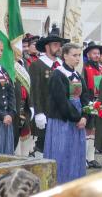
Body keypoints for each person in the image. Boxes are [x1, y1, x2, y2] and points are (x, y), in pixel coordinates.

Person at [44, 43, 89, 183]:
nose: (77, 58)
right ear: (65, 56)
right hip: (62, 121)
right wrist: (77, 118)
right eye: (74, 55)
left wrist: (86, 116)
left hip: (78, 121)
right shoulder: (58, 74)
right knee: (62, 153)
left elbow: (85, 98)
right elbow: (61, 101)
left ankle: (74, 183)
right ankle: (60, 184)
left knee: (76, 154)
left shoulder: (77, 75)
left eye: (79, 55)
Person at [29, 26, 69, 154]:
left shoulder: (62, 65)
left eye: (60, 45)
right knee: (42, 146)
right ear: (47, 47)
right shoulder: (37, 65)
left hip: (61, 113)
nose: (59, 47)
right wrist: (38, 112)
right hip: (45, 113)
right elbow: (34, 90)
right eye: (55, 44)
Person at [82, 41, 102, 169]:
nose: (97, 56)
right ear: (89, 55)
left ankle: (91, 158)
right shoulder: (85, 68)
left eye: (98, 53)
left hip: (99, 102)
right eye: (94, 53)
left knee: (94, 131)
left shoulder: (101, 69)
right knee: (87, 130)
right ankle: (84, 158)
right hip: (89, 102)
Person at [13, 50, 34, 157]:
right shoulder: (7, 65)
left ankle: (25, 160)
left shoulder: (24, 64)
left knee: (25, 133)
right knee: (15, 135)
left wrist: (31, 105)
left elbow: (30, 86)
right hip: (14, 105)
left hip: (25, 104)